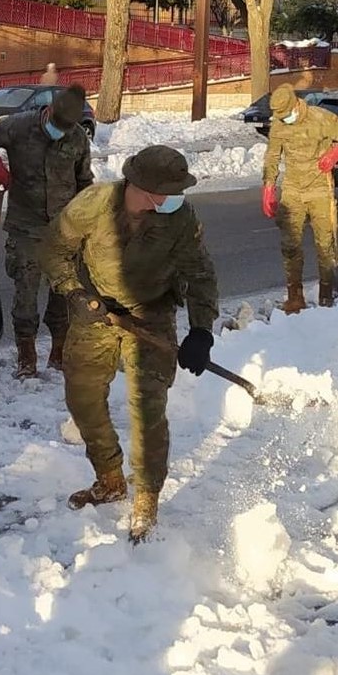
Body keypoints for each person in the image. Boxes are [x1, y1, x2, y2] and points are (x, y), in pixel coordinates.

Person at [44, 145, 219, 543]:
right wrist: (74, 294)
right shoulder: (93, 204)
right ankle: (109, 478)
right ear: (143, 189)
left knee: (147, 410)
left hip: (151, 316)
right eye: (170, 191)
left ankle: (146, 498)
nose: (177, 198)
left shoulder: (180, 217)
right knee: (83, 399)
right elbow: (53, 249)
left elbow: (200, 273)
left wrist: (201, 331)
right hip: (95, 311)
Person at [0, 84, 94, 377]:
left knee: (62, 295)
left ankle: (58, 352)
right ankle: (27, 356)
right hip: (26, 227)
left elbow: (84, 181)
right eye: (55, 125)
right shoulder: (18, 126)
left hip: (65, 229)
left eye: (65, 128)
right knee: (25, 296)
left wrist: (89, 220)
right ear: (47, 111)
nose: (59, 132)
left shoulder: (77, 139)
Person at [262, 85, 338, 313]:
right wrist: (268, 186)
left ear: (296, 105)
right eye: (281, 117)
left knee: (325, 245)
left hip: (319, 190)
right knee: (290, 245)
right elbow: (273, 155)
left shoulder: (321, 119)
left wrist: (336, 152)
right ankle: (295, 297)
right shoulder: (278, 124)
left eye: (286, 115)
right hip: (292, 190)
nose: (284, 120)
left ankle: (326, 294)